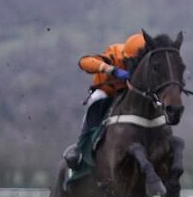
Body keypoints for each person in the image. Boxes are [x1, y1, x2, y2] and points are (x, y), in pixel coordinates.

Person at [62, 31, 148, 169]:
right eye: (132, 62)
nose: (135, 65)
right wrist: (110, 69)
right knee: (96, 99)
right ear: (126, 57)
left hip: (131, 94)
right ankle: (81, 146)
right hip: (108, 92)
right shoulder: (116, 53)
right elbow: (84, 62)